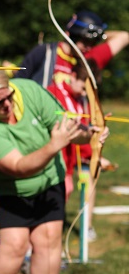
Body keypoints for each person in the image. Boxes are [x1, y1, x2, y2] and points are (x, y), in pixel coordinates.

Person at [0, 71, 108, 274]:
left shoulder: (29, 91)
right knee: (15, 246)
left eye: (8, 97)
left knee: (49, 241)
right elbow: (19, 167)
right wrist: (54, 146)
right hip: (13, 192)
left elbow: (69, 129)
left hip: (51, 183)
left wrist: (90, 134)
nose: (6, 105)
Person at [47, 60, 109, 242]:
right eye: (83, 88)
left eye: (87, 90)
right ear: (73, 76)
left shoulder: (81, 98)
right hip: (58, 156)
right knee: (63, 191)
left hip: (76, 154)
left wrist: (93, 155)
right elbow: (68, 128)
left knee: (85, 180)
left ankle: (86, 227)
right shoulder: (55, 93)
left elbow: (86, 127)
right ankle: (49, 238)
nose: (84, 93)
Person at [17, 10, 129, 88]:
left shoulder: (89, 59)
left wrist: (99, 34)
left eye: (93, 42)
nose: (89, 47)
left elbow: (124, 36)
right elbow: (19, 82)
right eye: (85, 41)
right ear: (71, 35)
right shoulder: (45, 52)